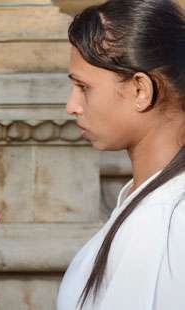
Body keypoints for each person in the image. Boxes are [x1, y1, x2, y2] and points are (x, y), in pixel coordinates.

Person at [57, 0, 185, 309]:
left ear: (141, 90)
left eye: (84, 87)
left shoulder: (165, 218)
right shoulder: (150, 201)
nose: (71, 106)